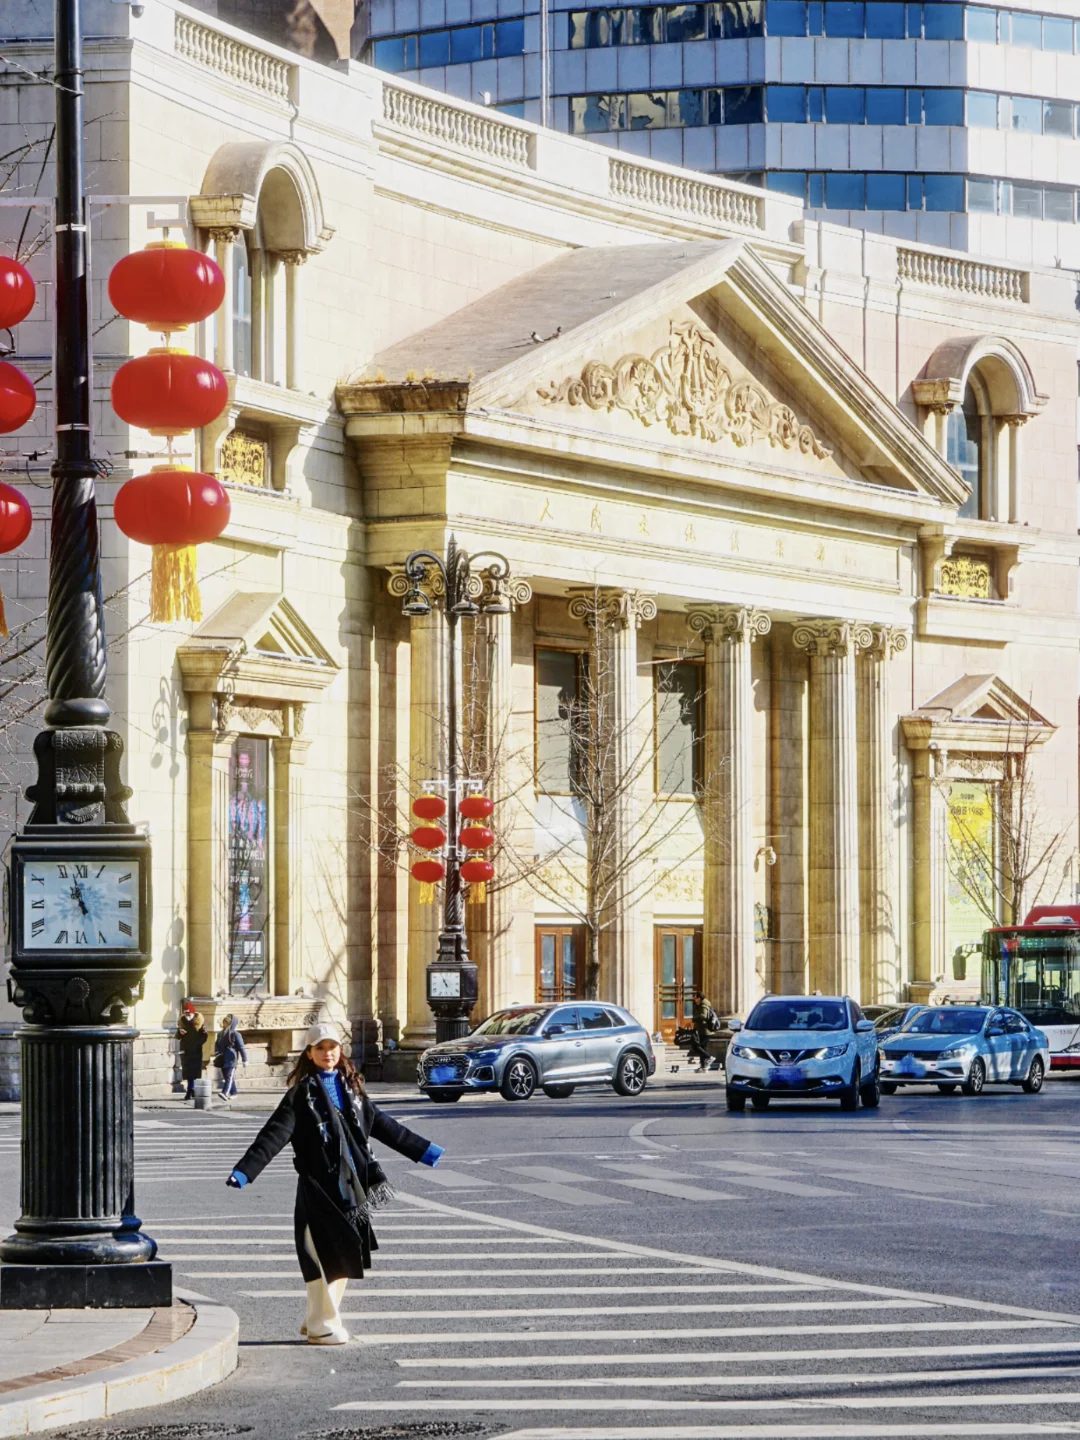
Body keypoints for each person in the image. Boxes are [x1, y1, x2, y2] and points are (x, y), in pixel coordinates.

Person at [226, 1022, 443, 1345]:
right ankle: (322, 1325)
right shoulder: (301, 1095)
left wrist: (424, 1150)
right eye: (320, 1048)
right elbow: (274, 1134)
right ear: (309, 1054)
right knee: (317, 1253)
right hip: (318, 1187)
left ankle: (317, 1318)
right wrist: (245, 1171)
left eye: (332, 1047)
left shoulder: (352, 1089)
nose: (327, 1054)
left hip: (352, 1185)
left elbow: (384, 1125)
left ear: (340, 1051)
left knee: (345, 1252)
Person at [177, 1000, 207, 1101]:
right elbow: (177, 1036)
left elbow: (204, 1036)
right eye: (186, 1013)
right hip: (186, 1050)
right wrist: (180, 1033)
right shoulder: (182, 1022)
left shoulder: (199, 1023)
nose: (187, 1015)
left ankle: (192, 1090)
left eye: (189, 1013)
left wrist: (198, 1043)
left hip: (196, 1051)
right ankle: (190, 1090)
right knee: (188, 1072)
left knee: (194, 1072)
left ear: (193, 1013)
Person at [215, 1014, 248, 1099]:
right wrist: (217, 1053)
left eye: (226, 1023)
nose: (224, 1025)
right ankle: (234, 1093)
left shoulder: (235, 1034)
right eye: (224, 1022)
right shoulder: (220, 1034)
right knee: (227, 1076)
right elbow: (217, 1044)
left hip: (231, 1059)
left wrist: (245, 1059)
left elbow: (241, 1047)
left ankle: (225, 1093)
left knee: (229, 1076)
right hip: (222, 1059)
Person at [689, 989, 715, 1072]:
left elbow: (704, 1016)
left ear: (699, 998)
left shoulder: (704, 1004)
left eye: (695, 998)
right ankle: (703, 1067)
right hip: (702, 1030)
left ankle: (709, 1057)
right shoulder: (700, 1004)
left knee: (697, 1046)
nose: (694, 1000)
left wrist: (694, 1019)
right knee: (703, 1048)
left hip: (705, 1030)